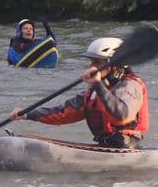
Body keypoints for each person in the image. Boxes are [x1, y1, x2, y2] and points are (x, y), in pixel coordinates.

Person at [10, 37, 149, 148]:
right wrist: (27, 114)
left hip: (127, 147)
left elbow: (122, 114)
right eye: (92, 61)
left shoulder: (131, 85)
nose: (92, 66)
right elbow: (63, 113)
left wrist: (97, 83)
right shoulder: (95, 92)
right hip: (105, 145)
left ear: (114, 65)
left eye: (97, 62)